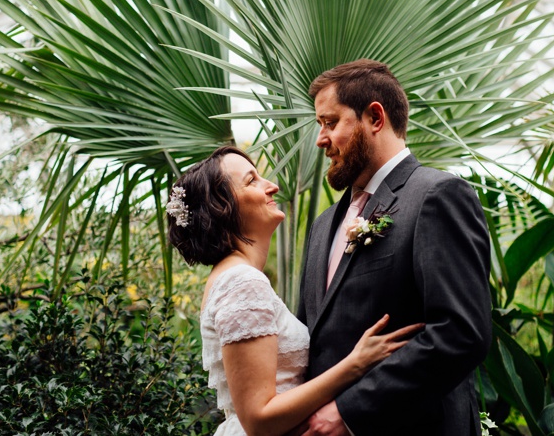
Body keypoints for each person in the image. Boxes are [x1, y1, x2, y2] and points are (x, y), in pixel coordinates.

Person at [168, 146, 422, 436]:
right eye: (251, 180)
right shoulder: (241, 282)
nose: (272, 185)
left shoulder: (232, 277)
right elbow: (258, 418)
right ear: (222, 208)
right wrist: (355, 364)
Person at [297, 59, 492, 436]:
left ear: (374, 117)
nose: (321, 139)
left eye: (330, 122)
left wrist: (348, 413)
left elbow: (460, 333)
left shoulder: (437, 196)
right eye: (320, 125)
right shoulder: (323, 225)